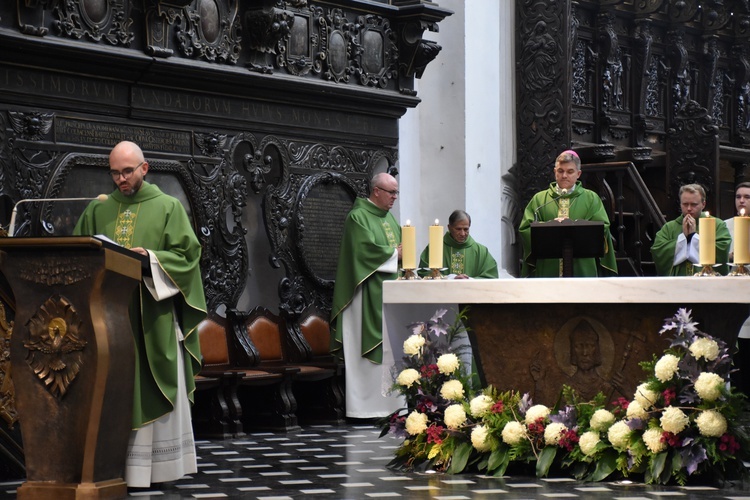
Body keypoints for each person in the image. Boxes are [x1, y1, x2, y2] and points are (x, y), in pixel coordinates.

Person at [74, 141, 206, 488]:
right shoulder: (97, 209)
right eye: (115, 172)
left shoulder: (167, 207)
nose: (120, 179)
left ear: (145, 169)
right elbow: (78, 253)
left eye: (127, 171)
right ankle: (113, 469)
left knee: (152, 383)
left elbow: (188, 257)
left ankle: (160, 470)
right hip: (108, 318)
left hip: (152, 315)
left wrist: (149, 256)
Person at [330, 172, 404, 418]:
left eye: (396, 193)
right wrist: (395, 254)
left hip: (389, 298)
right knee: (368, 351)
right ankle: (364, 409)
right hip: (364, 297)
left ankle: (394, 407)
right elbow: (363, 252)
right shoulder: (357, 217)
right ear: (376, 191)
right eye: (391, 192)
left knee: (392, 351)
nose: (395, 197)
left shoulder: (390, 219)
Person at [518, 150, 617, 277]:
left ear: (578, 174)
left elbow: (602, 228)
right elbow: (525, 229)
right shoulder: (540, 199)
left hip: (582, 265)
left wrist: (576, 227)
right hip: (549, 266)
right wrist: (549, 226)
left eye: (570, 171)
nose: (564, 175)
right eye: (560, 171)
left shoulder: (591, 199)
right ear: (555, 172)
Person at [651, 183, 730, 276]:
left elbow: (722, 249)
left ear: (703, 204)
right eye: (685, 204)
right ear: (680, 204)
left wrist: (693, 236)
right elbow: (658, 251)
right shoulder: (669, 228)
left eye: (693, 204)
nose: (689, 208)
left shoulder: (718, 225)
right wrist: (683, 237)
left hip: (706, 283)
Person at [418, 210, 498, 279]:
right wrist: (450, 278)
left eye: (466, 229)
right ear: (449, 227)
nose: (463, 233)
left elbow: (491, 276)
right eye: (458, 229)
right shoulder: (434, 248)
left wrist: (469, 280)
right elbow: (423, 272)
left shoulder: (481, 251)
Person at [724, 182, 750, 395]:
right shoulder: (724, 226)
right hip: (732, 292)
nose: (742, 201)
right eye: (738, 196)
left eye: (747, 197)